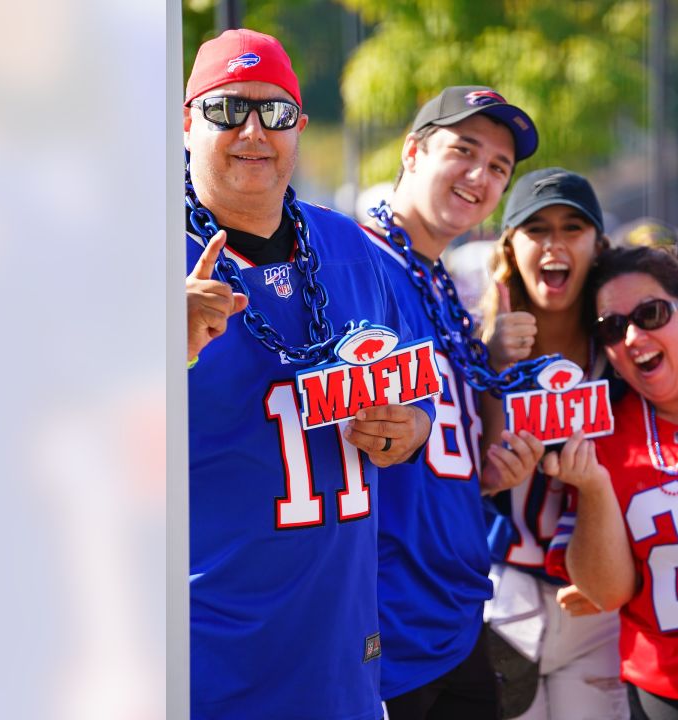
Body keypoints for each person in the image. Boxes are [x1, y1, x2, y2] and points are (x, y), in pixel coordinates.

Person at [182, 29, 434, 720]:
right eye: (228, 110)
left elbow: (419, 398)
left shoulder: (349, 245)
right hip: (210, 655)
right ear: (184, 123)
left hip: (339, 653)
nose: (254, 131)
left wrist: (406, 428)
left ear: (301, 125)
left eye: (276, 111)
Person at [358, 86, 548, 719]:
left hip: (454, 611)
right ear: (413, 151)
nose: (481, 176)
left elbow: (459, 457)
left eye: (499, 167)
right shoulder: (356, 262)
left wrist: (492, 370)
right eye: (463, 151)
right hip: (386, 622)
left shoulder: (436, 279)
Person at [473, 168, 629, 720]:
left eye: (572, 227)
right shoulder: (478, 344)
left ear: (598, 245)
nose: (554, 244)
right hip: (501, 596)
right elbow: (480, 472)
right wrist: (493, 362)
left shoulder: (626, 349)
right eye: (535, 228)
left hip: (597, 601)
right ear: (510, 246)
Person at [544, 246, 678, 720]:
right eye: (612, 327)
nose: (633, 335)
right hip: (669, 693)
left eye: (651, 313)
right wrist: (595, 489)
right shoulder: (603, 431)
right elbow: (606, 592)